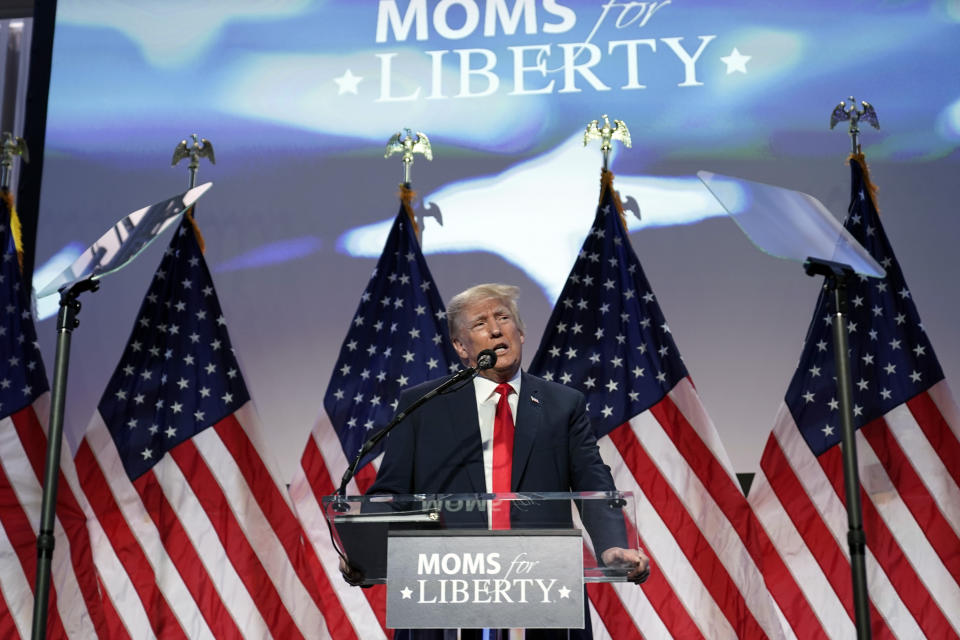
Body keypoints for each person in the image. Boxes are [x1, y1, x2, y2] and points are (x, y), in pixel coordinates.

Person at [342, 283, 649, 638]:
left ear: (520, 332)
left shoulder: (563, 404)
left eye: (503, 318)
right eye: (480, 323)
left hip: (541, 584)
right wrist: (365, 553)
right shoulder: (422, 406)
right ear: (461, 347)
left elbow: (593, 482)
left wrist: (611, 546)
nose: (495, 329)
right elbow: (393, 493)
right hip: (446, 586)